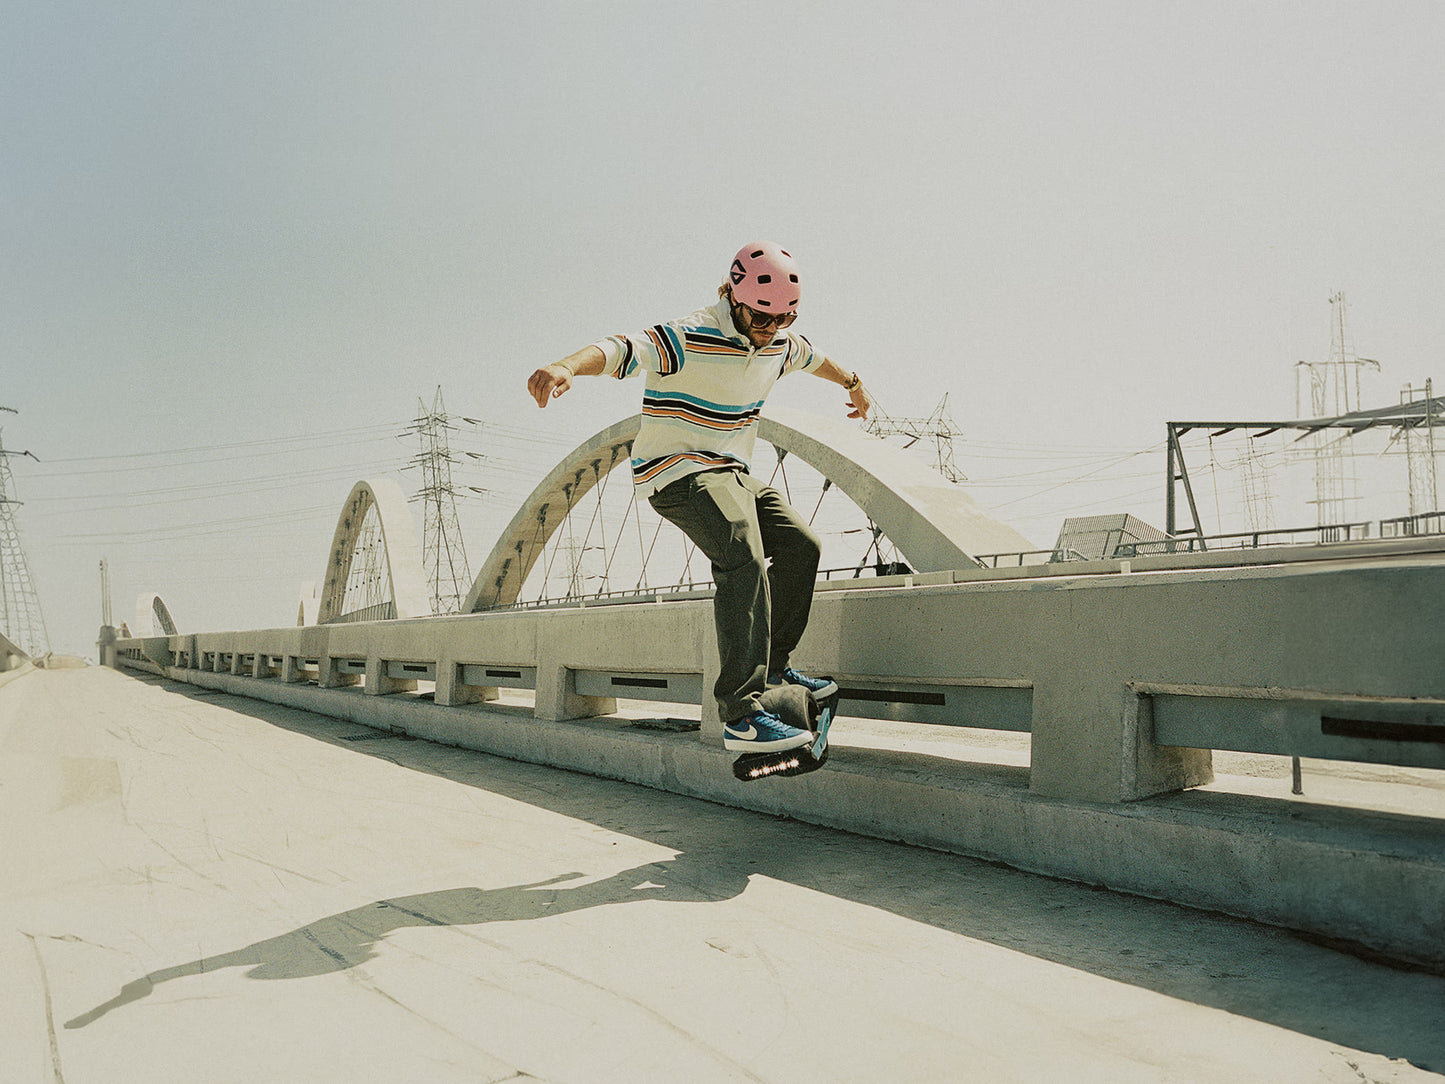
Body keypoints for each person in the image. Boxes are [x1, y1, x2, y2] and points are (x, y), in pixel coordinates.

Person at [527, 241, 872, 758]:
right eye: (760, 317)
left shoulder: (781, 344)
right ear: (733, 297)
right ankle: (741, 714)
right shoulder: (689, 335)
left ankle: (774, 668)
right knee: (742, 552)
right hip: (674, 473)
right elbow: (620, 348)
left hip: (732, 473)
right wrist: (566, 367)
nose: (769, 328)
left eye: (782, 319)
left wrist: (855, 385)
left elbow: (817, 359)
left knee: (802, 545)